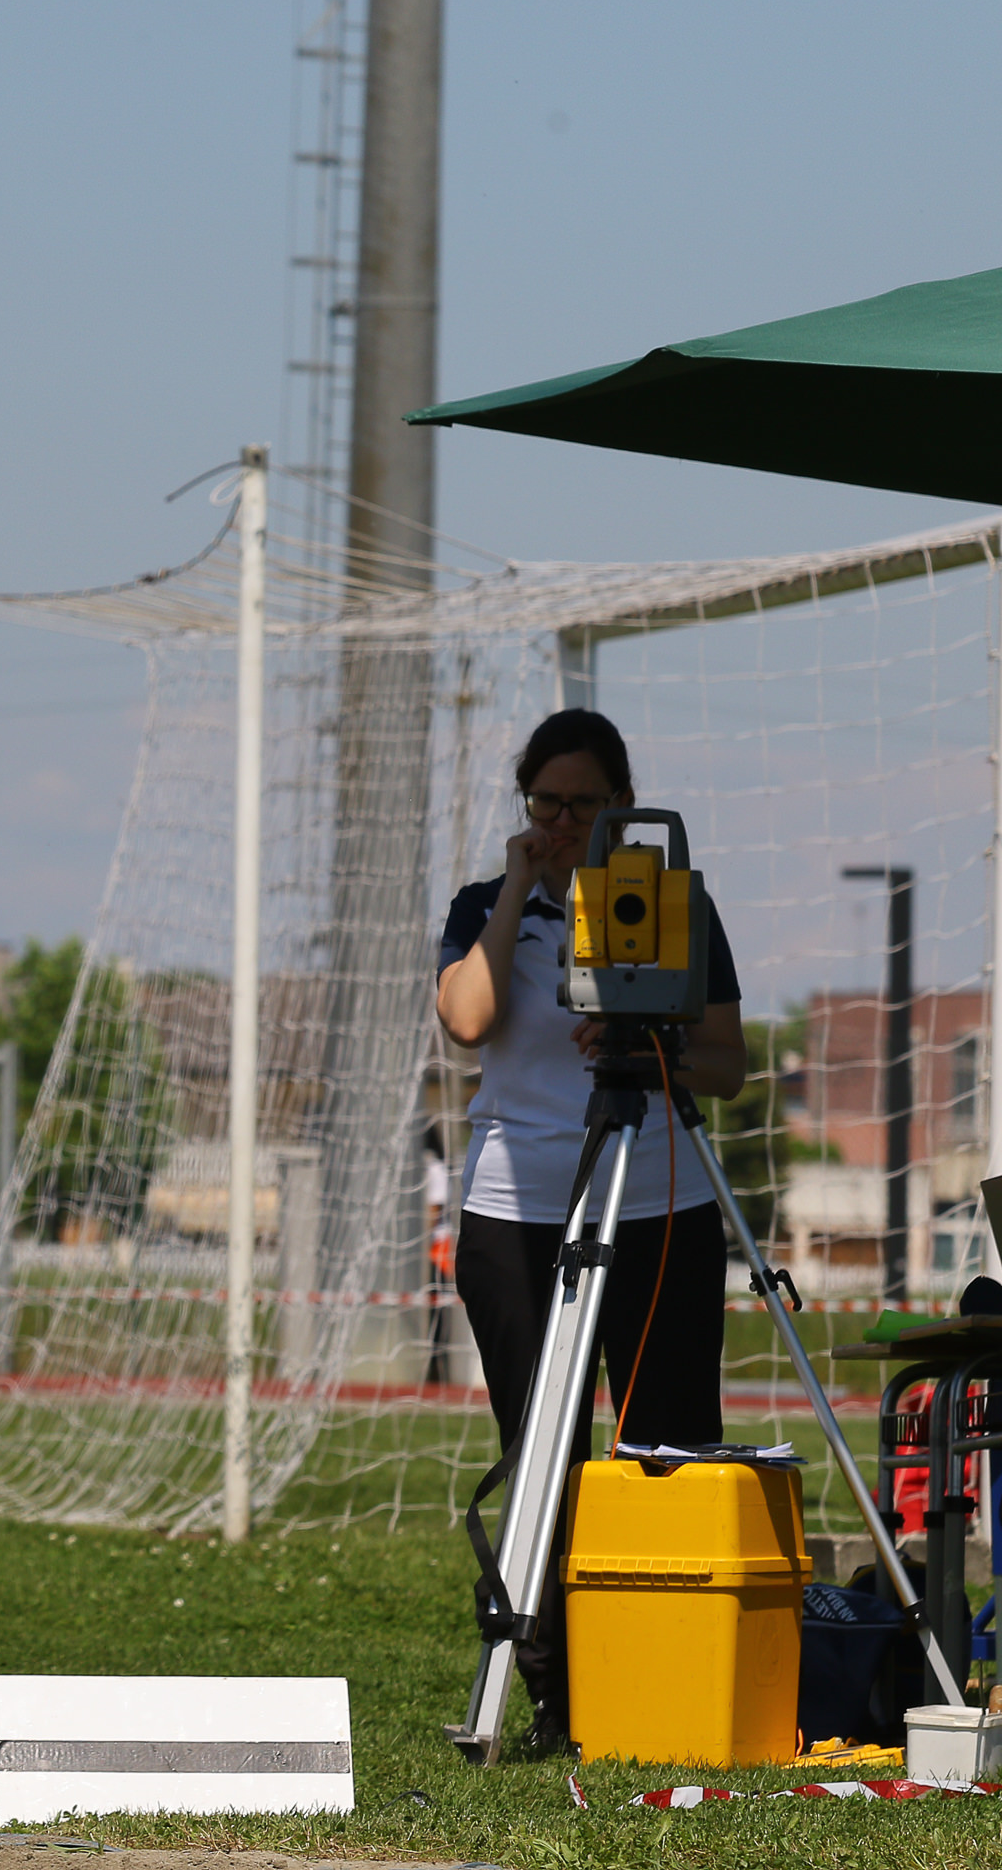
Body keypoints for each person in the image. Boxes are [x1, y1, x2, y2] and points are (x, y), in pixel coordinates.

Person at [436, 708, 746, 1757]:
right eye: (546, 803)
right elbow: (467, 1020)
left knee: (668, 1444)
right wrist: (517, 891)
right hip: (516, 1211)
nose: (563, 823)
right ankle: (554, 1695)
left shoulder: (676, 905)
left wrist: (653, 1042)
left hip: (657, 1201)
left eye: (583, 804)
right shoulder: (484, 906)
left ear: (623, 805)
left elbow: (728, 1064)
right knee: (543, 1454)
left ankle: (669, 1679)